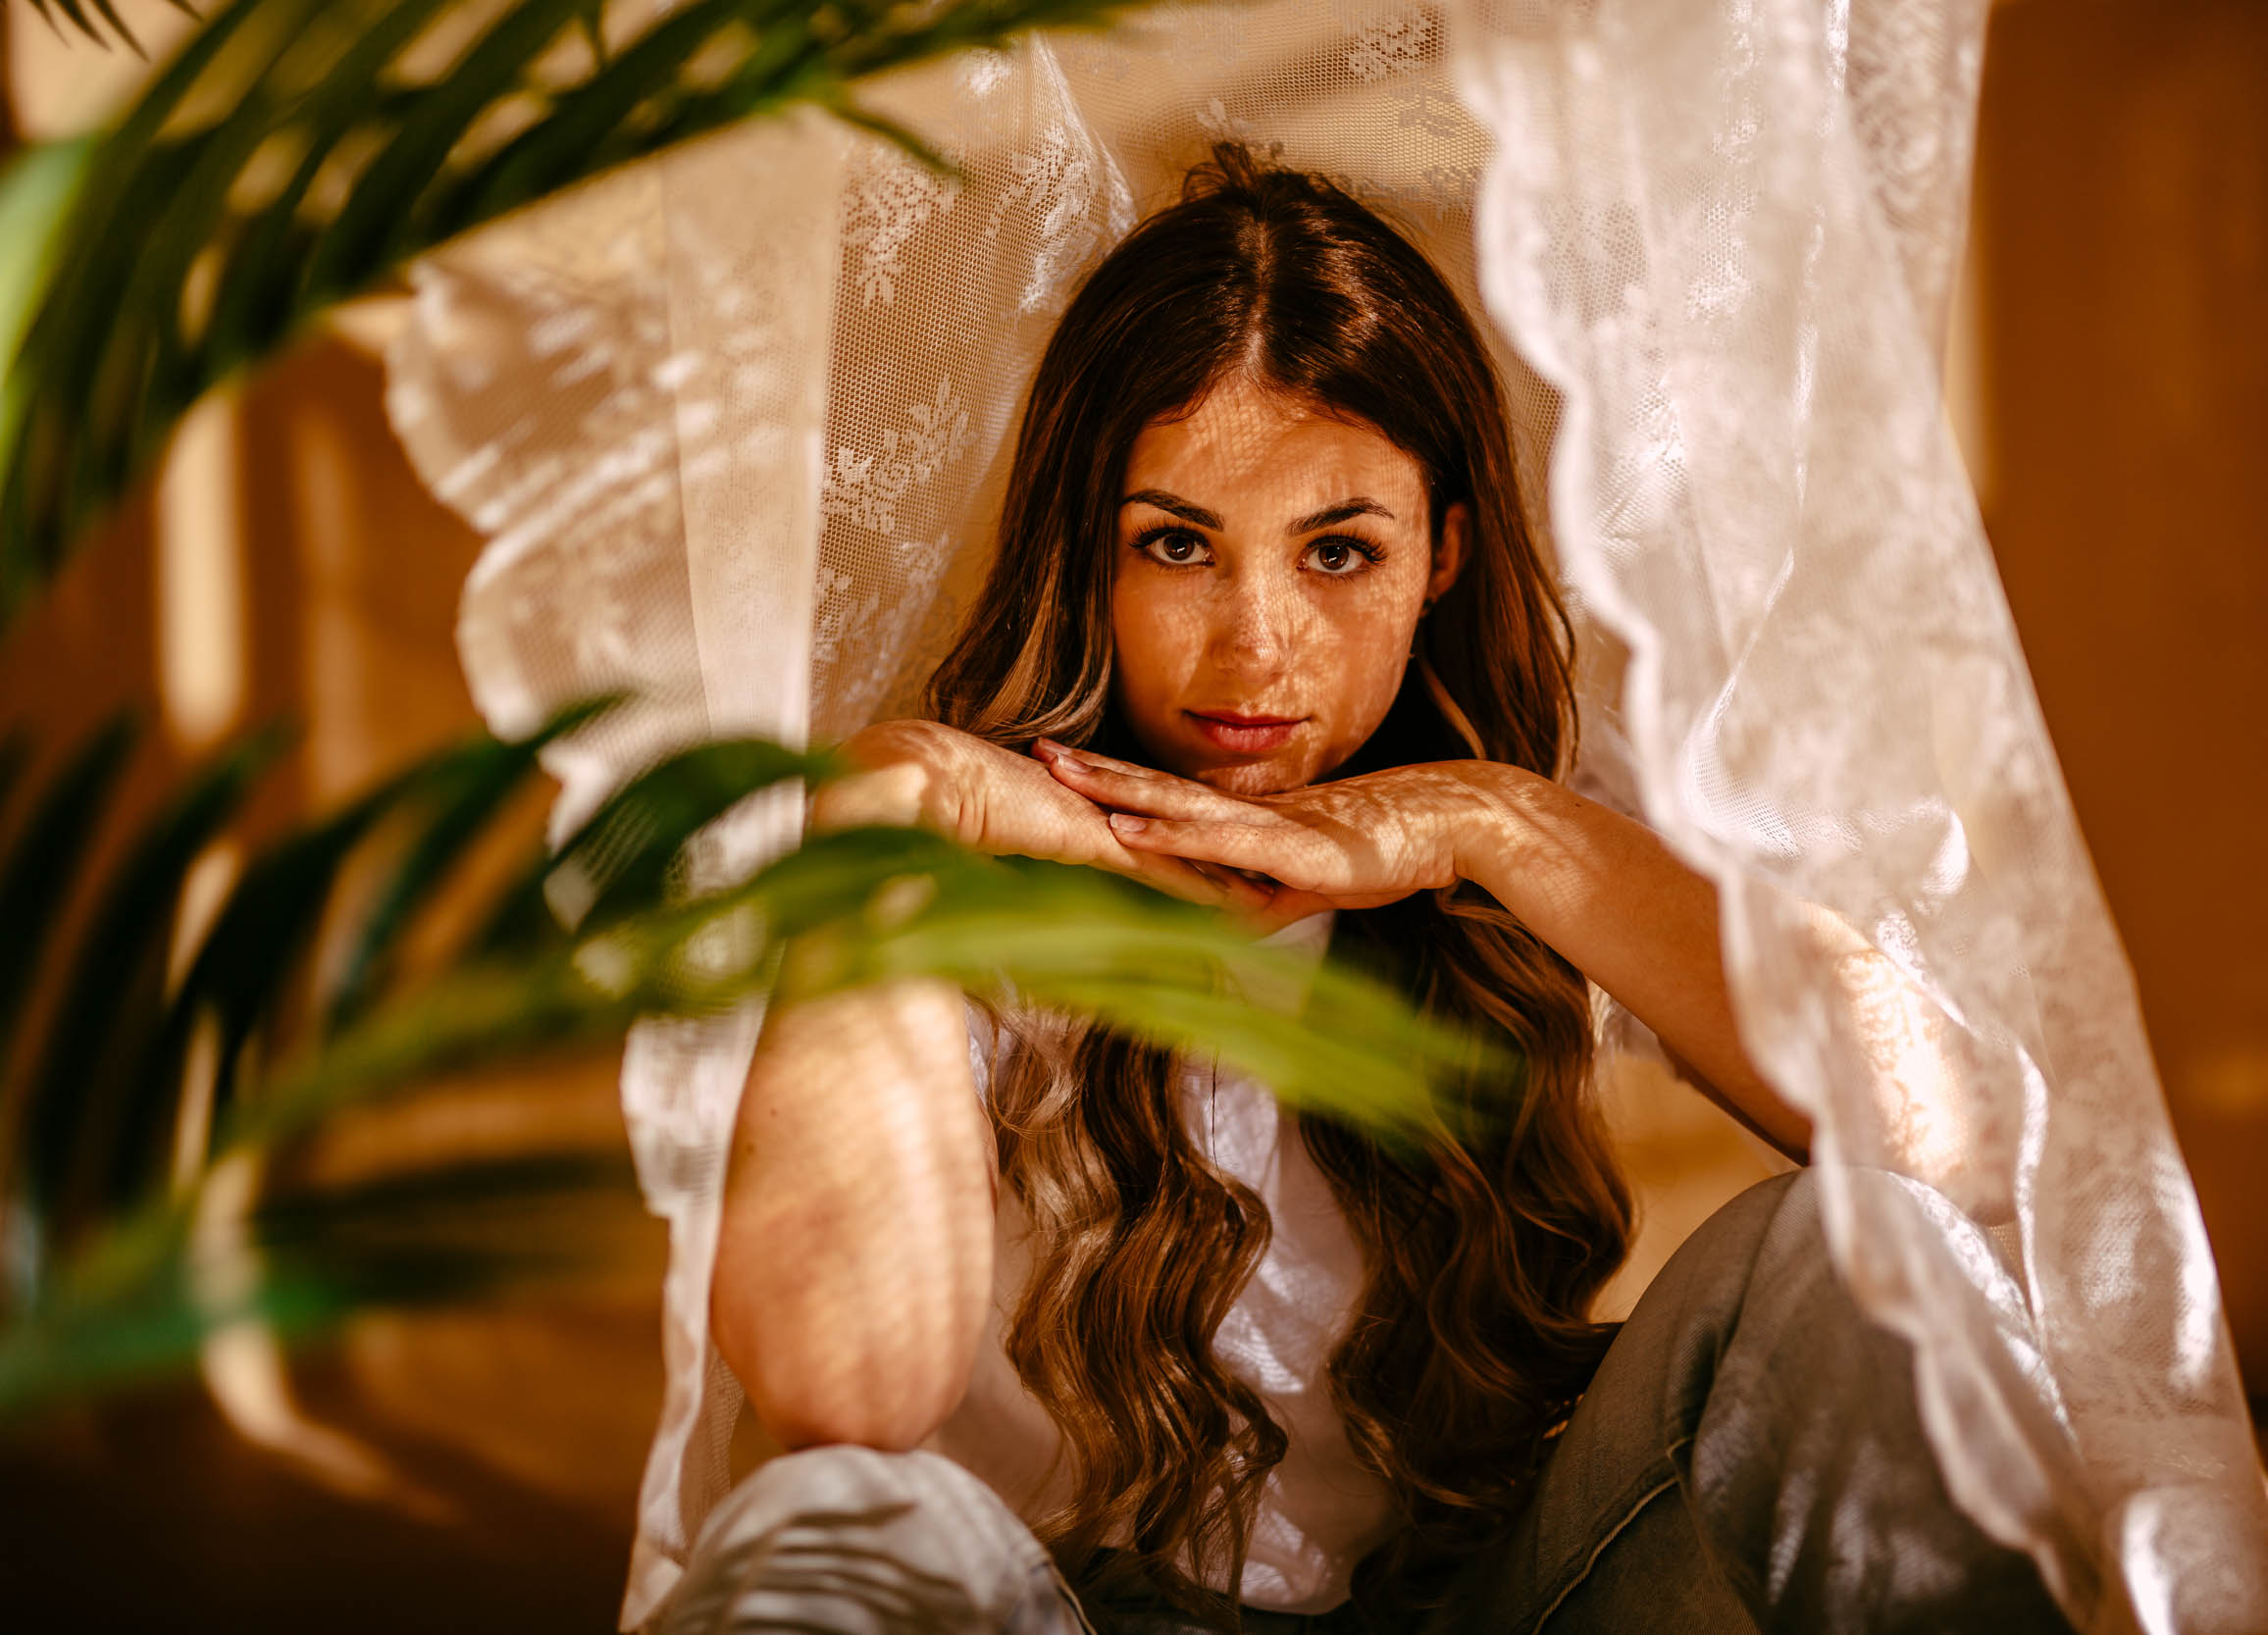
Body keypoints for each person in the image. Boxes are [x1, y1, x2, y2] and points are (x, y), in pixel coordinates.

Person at [680, 146, 2068, 1635]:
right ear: (1086, 552)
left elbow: (1964, 1149)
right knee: (829, 1523)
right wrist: (894, 801)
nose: (1254, 650)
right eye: (1175, 546)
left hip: (1477, 1607)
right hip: (1058, 1615)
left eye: (1338, 552)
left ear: (1443, 555)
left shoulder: (1526, 853)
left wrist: (1487, 822)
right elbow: (842, 1396)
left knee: (1867, 1260)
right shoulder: (958, 886)